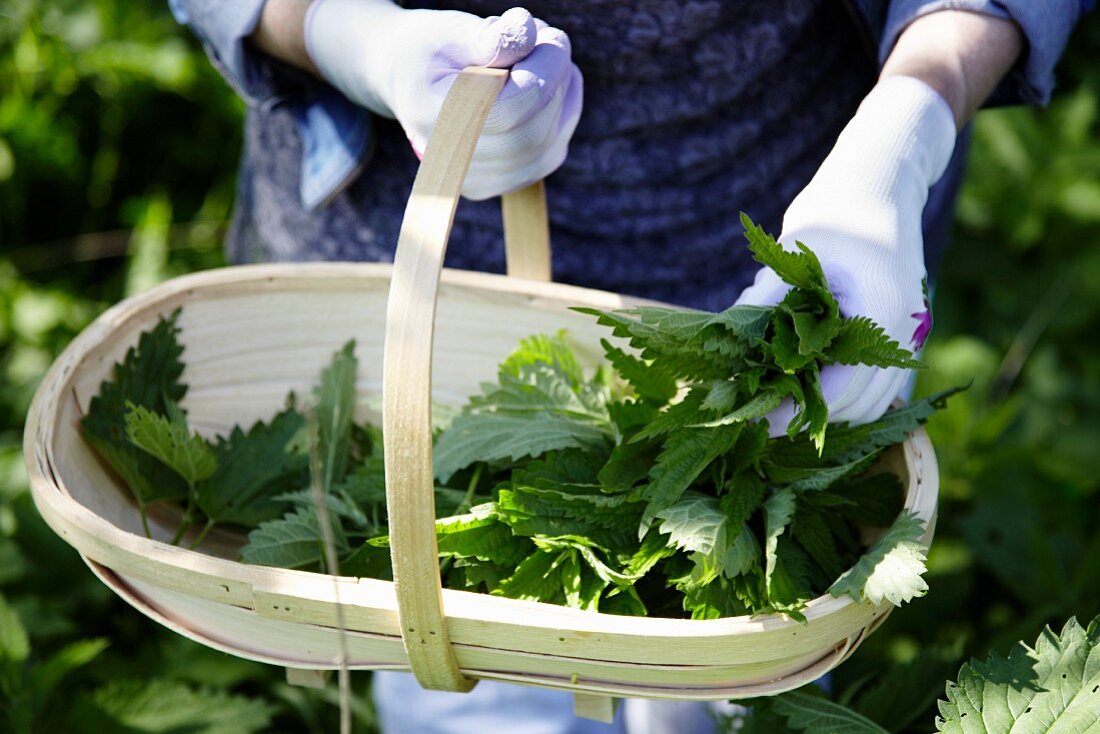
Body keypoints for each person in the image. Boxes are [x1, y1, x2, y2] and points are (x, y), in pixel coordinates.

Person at [169, 1, 1087, 732]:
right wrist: (344, 33)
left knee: (751, 669)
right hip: (407, 316)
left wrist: (904, 133)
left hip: (792, 266)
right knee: (467, 676)